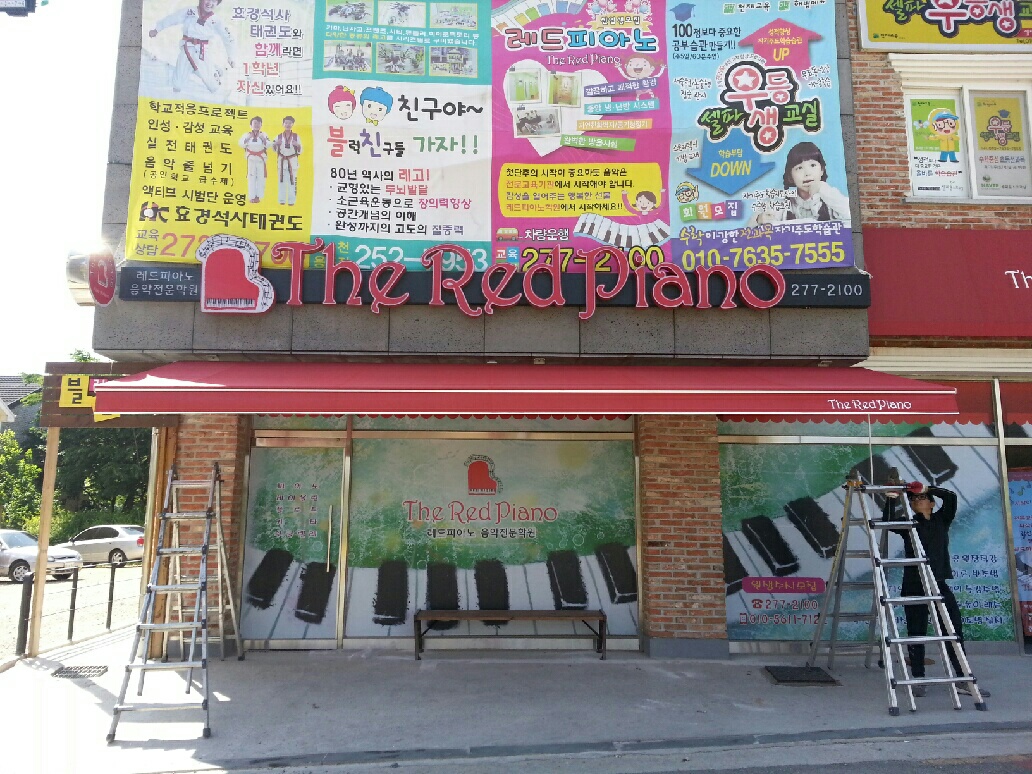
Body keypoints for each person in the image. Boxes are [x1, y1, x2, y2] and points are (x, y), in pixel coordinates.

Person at [883, 482, 989, 698]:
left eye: (922, 498)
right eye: (914, 500)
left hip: (938, 583)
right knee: (916, 632)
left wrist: (926, 488)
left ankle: (962, 679)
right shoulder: (909, 524)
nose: (917, 501)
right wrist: (892, 498)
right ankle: (918, 679)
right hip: (914, 584)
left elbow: (950, 497)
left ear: (932, 504)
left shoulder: (942, 519)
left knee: (953, 631)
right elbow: (887, 522)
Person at [149, 0, 236, 94]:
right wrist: (157, 29)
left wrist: (231, 56)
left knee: (213, 86)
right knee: (177, 84)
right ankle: (175, 94)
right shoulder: (189, 11)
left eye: (214, 1)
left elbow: (228, 37)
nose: (210, 3)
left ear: (217, 3)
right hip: (187, 48)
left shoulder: (216, 20)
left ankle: (213, 69)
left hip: (202, 51)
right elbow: (173, 18)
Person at [781, 141, 851, 226]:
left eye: (812, 165)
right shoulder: (785, 205)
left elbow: (850, 212)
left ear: (822, 170)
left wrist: (822, 188)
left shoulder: (831, 200)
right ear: (790, 177)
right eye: (799, 168)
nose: (807, 173)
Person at [272, 116, 302, 206]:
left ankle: (291, 201)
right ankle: (281, 200)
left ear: (293, 124)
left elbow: (301, 150)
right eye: (286, 123)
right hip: (282, 161)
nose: (288, 124)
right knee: (281, 181)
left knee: (292, 182)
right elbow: (273, 149)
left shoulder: (296, 136)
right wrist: (275, 144)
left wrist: (298, 145)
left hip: (292, 161)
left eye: (290, 123)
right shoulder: (279, 136)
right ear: (283, 124)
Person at [238, 116, 269, 204]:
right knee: (251, 178)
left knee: (260, 178)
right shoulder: (247, 135)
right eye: (255, 123)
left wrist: (263, 139)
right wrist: (248, 138)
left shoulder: (264, 134)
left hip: (260, 159)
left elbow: (269, 145)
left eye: (258, 123)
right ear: (251, 125)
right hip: (251, 159)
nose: (256, 125)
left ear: (261, 125)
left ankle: (258, 196)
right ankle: (252, 196)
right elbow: (240, 144)